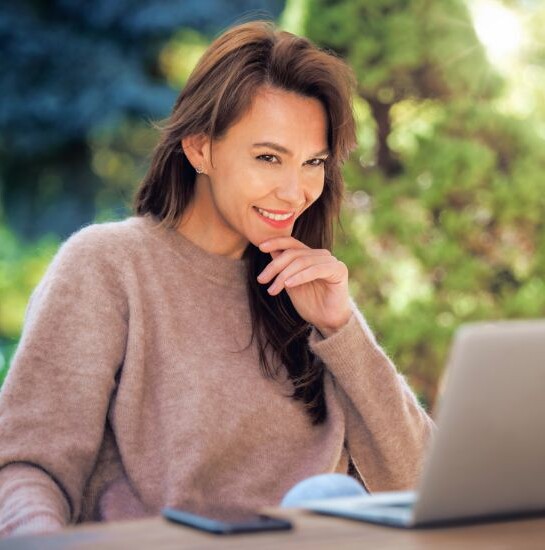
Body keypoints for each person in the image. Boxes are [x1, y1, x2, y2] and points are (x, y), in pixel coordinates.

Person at [0, 20, 434, 538]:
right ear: (199, 148)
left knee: (329, 499)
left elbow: (424, 487)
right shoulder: (107, 267)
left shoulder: (306, 289)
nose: (295, 192)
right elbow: (27, 468)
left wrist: (342, 329)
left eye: (313, 162)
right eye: (268, 158)